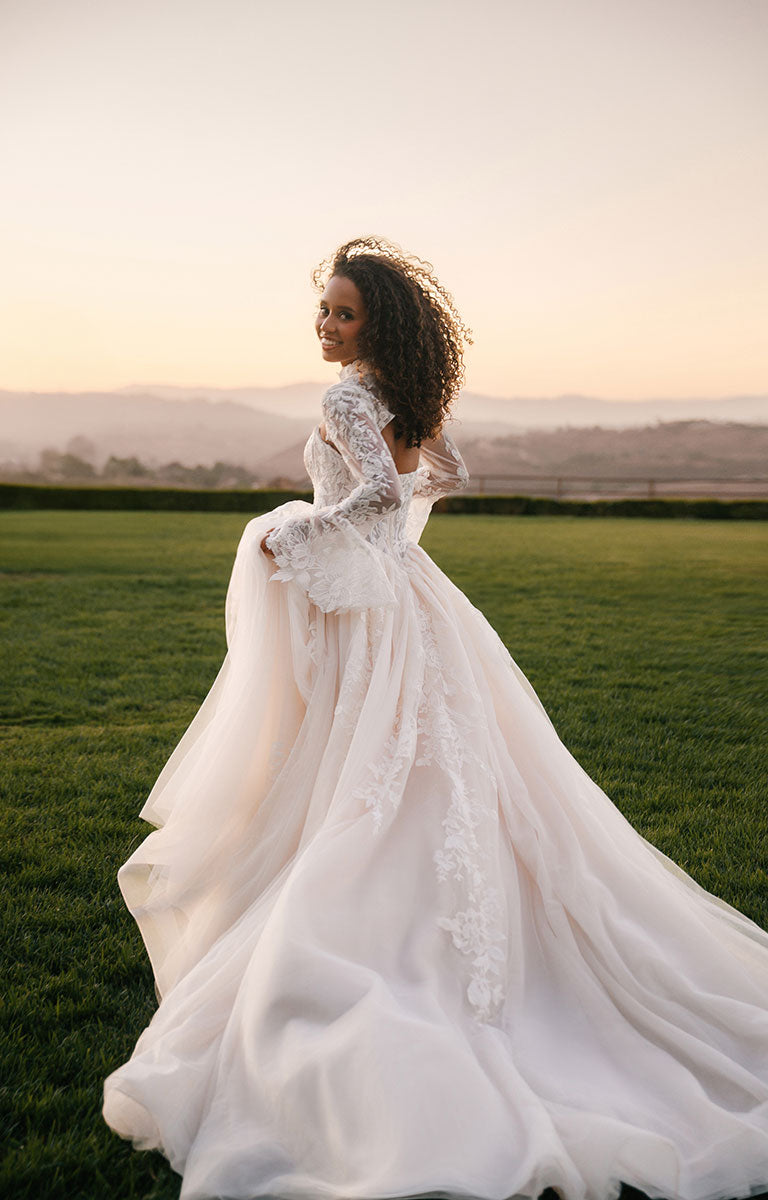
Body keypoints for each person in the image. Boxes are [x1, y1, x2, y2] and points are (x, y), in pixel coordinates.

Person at [103, 236, 768, 1200]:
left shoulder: (346, 397)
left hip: (369, 607)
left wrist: (303, 530)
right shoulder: (406, 395)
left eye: (344, 313)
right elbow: (444, 473)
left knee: (362, 758)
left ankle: (360, 923)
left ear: (377, 324)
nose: (326, 325)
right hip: (410, 598)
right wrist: (390, 540)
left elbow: (380, 488)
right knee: (429, 759)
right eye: (324, 309)